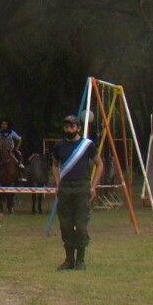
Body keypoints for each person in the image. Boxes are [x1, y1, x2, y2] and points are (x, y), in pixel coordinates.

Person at [51, 114, 103, 271]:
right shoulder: (59, 145)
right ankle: (69, 260)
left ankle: (80, 260)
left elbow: (99, 165)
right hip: (65, 188)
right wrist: (58, 182)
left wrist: (93, 186)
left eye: (72, 126)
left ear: (78, 128)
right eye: (66, 127)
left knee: (80, 225)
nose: (69, 129)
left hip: (82, 188)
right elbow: (54, 165)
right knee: (65, 225)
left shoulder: (87, 145)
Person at [0, 118, 23, 214]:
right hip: (1, 150)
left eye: (5, 124)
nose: (4, 126)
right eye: (2, 124)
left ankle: (21, 173)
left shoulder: (12, 132)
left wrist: (16, 147)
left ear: (7, 125)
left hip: (11, 150)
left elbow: (20, 139)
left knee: (19, 155)